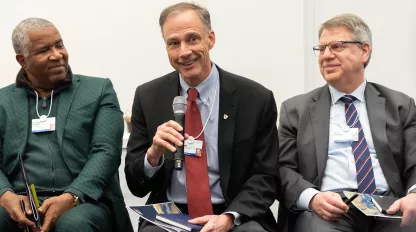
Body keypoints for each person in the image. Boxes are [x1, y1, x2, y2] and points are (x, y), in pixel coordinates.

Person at [125, 2, 279, 232]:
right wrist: (153, 154)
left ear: (211, 39)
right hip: (171, 214)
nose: (184, 52)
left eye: (193, 39)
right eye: (173, 43)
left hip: (234, 213)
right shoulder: (148, 97)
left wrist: (228, 217)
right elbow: (136, 185)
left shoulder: (255, 99)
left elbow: (266, 177)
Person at [278, 13, 416, 232]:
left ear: (364, 51)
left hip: (389, 206)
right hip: (330, 209)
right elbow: (283, 169)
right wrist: (313, 198)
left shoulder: (400, 105)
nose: (326, 55)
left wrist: (414, 195)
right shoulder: (295, 110)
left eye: (337, 46)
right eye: (321, 49)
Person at [0, 18, 133, 232]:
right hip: (21, 201)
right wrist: (5, 194)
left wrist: (72, 196)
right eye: (44, 50)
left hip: (85, 201)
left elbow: (106, 152)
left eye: (59, 45)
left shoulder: (98, 90)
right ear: (22, 60)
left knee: (74, 224)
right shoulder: (3, 101)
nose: (57, 55)